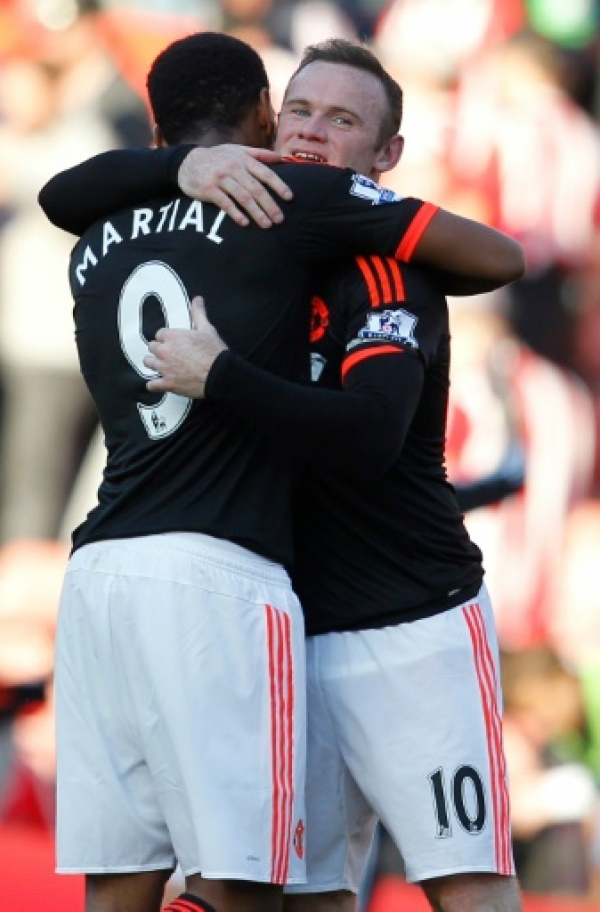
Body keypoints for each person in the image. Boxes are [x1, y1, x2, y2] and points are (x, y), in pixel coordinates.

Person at [39, 32, 525, 912]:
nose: (309, 133)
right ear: (265, 116)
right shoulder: (254, 226)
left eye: (342, 121)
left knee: (468, 891)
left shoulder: (371, 254)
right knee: (293, 896)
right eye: (299, 109)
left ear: (384, 158)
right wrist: (185, 169)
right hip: (288, 627)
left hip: (410, 624)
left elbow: (374, 432)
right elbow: (66, 191)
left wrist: (222, 374)